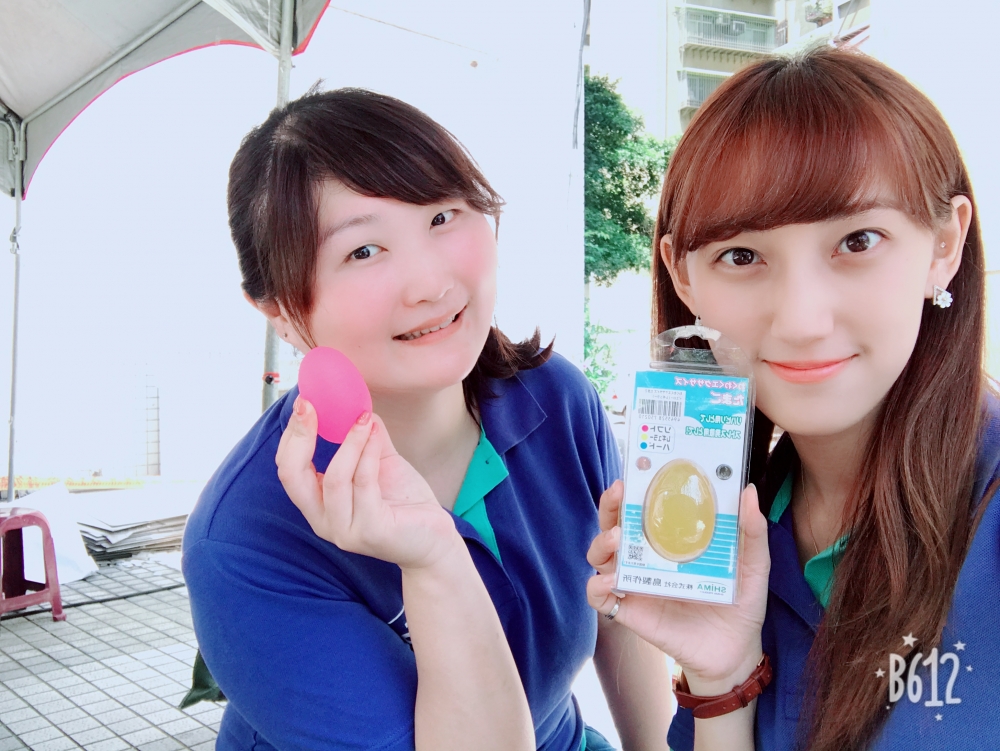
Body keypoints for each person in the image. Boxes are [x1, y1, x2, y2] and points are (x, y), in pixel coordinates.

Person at [182, 87, 673, 751]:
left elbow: (619, 609)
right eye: (363, 250)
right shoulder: (246, 542)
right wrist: (435, 560)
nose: (432, 285)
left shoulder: (556, 399)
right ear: (279, 313)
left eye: (443, 215)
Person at [585, 46, 1000, 751]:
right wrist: (723, 678)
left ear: (943, 244)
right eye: (742, 256)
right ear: (683, 277)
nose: (803, 319)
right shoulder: (732, 531)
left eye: (858, 241)